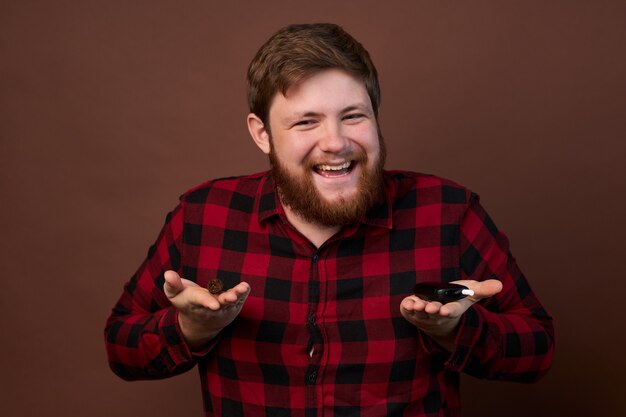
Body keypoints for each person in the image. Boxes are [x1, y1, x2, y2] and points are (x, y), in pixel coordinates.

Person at [105, 23, 554, 417]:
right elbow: (122, 348)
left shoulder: (448, 211)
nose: (335, 142)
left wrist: (455, 330)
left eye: (353, 116)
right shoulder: (204, 215)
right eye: (306, 122)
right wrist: (191, 328)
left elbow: (538, 350)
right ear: (262, 134)